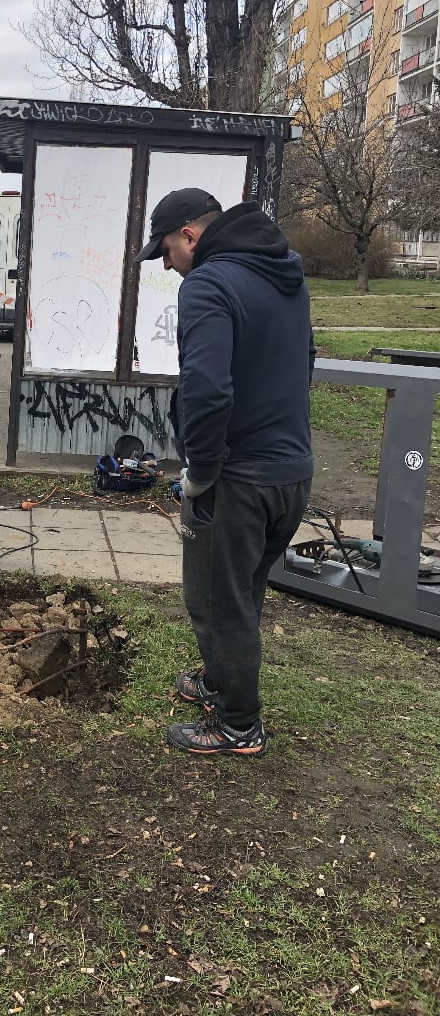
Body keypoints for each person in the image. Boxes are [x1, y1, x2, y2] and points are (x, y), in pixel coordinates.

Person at [135, 187, 314, 756]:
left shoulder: (208, 284)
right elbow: (304, 360)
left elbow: (207, 391)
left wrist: (202, 473)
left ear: (190, 235)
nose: (166, 265)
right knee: (244, 590)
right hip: (292, 473)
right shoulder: (286, 275)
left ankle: (238, 724)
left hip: (238, 479)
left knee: (214, 600)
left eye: (165, 251)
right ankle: (218, 679)